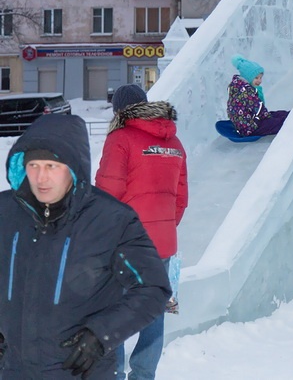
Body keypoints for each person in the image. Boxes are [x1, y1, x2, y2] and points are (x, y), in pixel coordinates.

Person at [0, 114, 170, 378]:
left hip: (79, 371)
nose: (41, 177)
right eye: (34, 165)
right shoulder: (5, 212)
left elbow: (153, 288)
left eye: (52, 166)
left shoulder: (112, 220)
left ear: (73, 167)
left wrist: (102, 335)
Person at [96, 84, 188, 380]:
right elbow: (181, 197)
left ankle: (113, 374)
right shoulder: (174, 143)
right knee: (153, 311)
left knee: (114, 310)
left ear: (119, 111)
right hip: (160, 244)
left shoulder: (120, 139)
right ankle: (144, 375)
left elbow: (107, 194)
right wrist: (163, 227)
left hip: (125, 242)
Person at [227, 54, 290, 137]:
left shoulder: (237, 87)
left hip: (246, 122)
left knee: (277, 114)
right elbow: (259, 108)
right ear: (247, 77)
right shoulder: (247, 92)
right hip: (251, 128)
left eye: (260, 78)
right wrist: (269, 117)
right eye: (256, 78)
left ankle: (289, 114)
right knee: (278, 122)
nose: (259, 81)